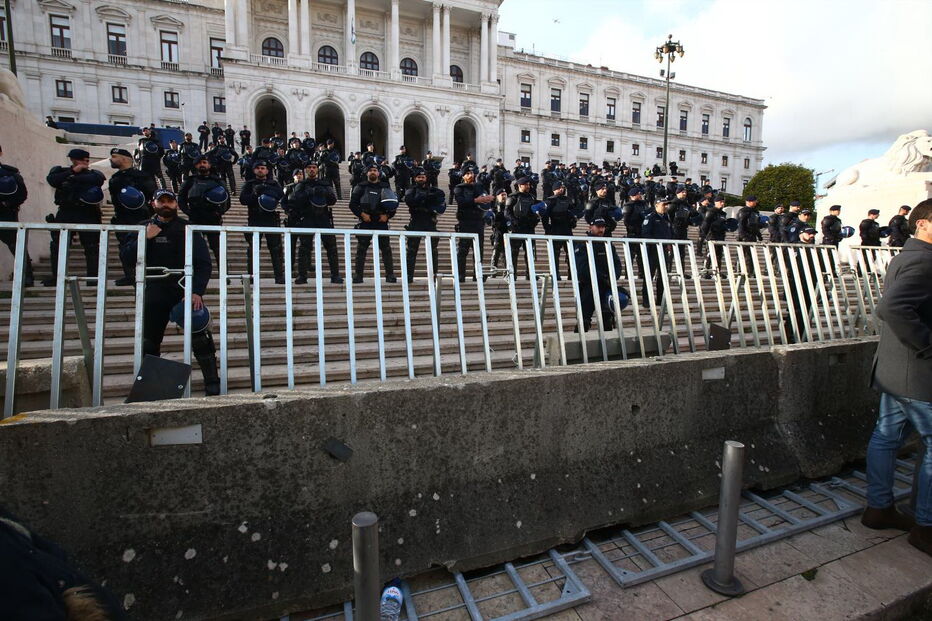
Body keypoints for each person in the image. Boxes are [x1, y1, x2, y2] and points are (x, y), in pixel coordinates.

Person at [863, 198, 932, 556]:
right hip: (920, 374)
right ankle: (925, 526)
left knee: (886, 436)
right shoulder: (925, 260)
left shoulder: (906, 256)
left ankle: (878, 508)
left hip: (893, 370)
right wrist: (927, 343)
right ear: (922, 223)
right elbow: (892, 307)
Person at [120, 189, 220, 395]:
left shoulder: (187, 228)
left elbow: (203, 264)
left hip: (182, 289)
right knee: (149, 340)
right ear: (153, 203)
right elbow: (126, 258)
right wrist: (145, 238)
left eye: (170, 201)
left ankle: (212, 380)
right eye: (161, 201)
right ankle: (152, 385)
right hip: (154, 289)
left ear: (176, 204)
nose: (166, 205)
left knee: (200, 336)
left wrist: (196, 291)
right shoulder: (142, 228)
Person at [44, 148, 106, 286]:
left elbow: (98, 180)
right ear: (73, 160)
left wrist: (74, 177)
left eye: (87, 160)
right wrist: (72, 172)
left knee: (91, 246)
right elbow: (53, 180)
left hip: (87, 212)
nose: (85, 162)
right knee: (58, 245)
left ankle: (93, 279)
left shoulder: (93, 174)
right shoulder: (61, 171)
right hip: (67, 211)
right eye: (82, 160)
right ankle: (57, 277)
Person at [283, 161, 343, 284]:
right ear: (305, 170)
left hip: (323, 218)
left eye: (314, 167)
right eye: (309, 168)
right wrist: (307, 193)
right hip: (307, 218)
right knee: (304, 248)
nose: (312, 170)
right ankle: (302, 275)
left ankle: (335, 275)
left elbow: (332, 200)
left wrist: (325, 192)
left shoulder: (325, 184)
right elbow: (295, 200)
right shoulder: (302, 185)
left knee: (331, 247)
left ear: (317, 170)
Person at [108, 147, 157, 286]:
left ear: (124, 159)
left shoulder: (142, 176)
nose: (111, 160)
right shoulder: (115, 179)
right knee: (124, 247)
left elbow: (152, 195)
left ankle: (146, 273)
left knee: (145, 247)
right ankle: (129, 275)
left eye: (114, 157)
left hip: (140, 218)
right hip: (122, 217)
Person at [574, 218, 627, 332]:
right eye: (598, 227)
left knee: (607, 320)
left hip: (606, 286)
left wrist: (613, 277)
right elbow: (583, 268)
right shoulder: (583, 244)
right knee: (584, 320)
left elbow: (617, 264)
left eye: (603, 227)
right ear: (590, 227)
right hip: (589, 286)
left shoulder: (607, 244)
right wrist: (601, 277)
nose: (601, 229)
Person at [349, 163, 397, 283]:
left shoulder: (385, 186)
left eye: (375, 170)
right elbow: (353, 204)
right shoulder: (360, 186)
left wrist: (387, 216)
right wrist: (361, 214)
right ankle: (358, 275)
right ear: (367, 173)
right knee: (361, 249)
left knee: (386, 249)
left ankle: (390, 275)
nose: (373, 172)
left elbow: (393, 203)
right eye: (370, 170)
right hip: (366, 221)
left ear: (379, 173)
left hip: (381, 221)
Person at [239, 160, 286, 283]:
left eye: (263, 168)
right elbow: (243, 199)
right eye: (258, 168)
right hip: (255, 218)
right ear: (254, 170)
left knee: (276, 250)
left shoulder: (274, 184)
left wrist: (266, 190)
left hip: (271, 219)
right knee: (253, 250)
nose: (261, 170)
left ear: (267, 170)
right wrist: (255, 193)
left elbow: (280, 195)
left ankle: (279, 277)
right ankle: (251, 277)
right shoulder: (249, 184)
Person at [178, 155, 229, 265]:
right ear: (196, 165)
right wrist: (188, 212)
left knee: (218, 248)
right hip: (195, 218)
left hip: (213, 219)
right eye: (199, 163)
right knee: (194, 248)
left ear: (209, 165)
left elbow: (226, 200)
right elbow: (181, 199)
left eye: (205, 162)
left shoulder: (218, 181)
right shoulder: (190, 181)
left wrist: (219, 212)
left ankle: (224, 275)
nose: (202, 165)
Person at [404, 168, 446, 282]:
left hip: (430, 222)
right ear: (415, 179)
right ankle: (409, 276)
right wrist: (424, 198)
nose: (421, 179)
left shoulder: (433, 190)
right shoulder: (411, 190)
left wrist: (429, 200)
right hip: (416, 221)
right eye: (419, 177)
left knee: (433, 251)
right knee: (412, 250)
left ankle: (434, 276)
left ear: (426, 178)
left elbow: (440, 200)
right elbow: (410, 201)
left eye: (423, 177)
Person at [0, 145, 34, 286]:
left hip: (6, 214)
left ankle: (27, 276)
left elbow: (22, 194)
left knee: (16, 246)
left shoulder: (10, 173)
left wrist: (7, 204)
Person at [452, 167, 493, 282]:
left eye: (472, 173)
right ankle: (461, 274)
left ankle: (477, 274)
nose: (471, 175)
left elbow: (486, 200)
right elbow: (461, 202)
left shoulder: (479, 187)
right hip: (465, 221)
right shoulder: (459, 188)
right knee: (463, 250)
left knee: (478, 250)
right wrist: (476, 201)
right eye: (468, 173)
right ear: (463, 176)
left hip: (478, 221)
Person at [541, 181, 581, 279]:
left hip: (567, 229)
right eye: (560, 188)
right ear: (554, 189)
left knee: (571, 253)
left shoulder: (567, 200)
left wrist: (573, 220)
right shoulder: (550, 201)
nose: (562, 189)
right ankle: (556, 274)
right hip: (555, 229)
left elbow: (574, 210)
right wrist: (547, 228)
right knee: (555, 254)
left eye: (563, 187)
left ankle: (571, 274)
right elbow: (545, 217)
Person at [505, 177, 539, 279]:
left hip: (529, 228)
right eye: (526, 184)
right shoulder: (513, 197)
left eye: (529, 184)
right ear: (520, 186)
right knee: (513, 252)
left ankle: (530, 274)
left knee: (530, 252)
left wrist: (535, 219)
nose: (528, 186)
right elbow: (507, 212)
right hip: (517, 228)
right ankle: (512, 274)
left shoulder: (532, 198)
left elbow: (535, 211)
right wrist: (513, 222)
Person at [640, 197, 673, 303]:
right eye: (664, 205)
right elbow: (645, 234)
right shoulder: (651, 217)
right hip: (652, 250)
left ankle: (660, 300)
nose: (666, 207)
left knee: (663, 275)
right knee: (649, 275)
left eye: (667, 205)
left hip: (663, 251)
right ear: (657, 205)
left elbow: (669, 232)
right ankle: (646, 299)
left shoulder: (666, 217)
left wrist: (669, 243)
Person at [701, 195, 728, 277]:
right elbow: (705, 225)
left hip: (720, 236)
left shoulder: (723, 214)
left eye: (723, 202)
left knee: (719, 255)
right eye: (720, 202)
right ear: (716, 202)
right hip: (712, 236)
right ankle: (705, 271)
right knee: (709, 254)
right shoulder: (711, 212)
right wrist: (704, 236)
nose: (722, 203)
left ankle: (717, 271)